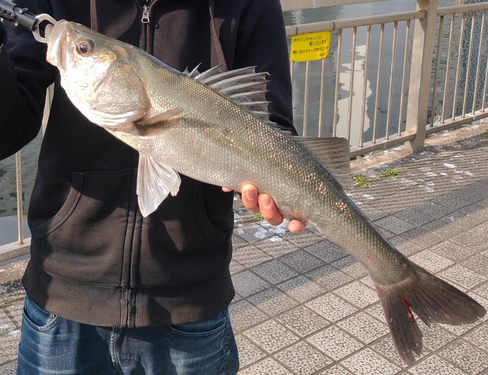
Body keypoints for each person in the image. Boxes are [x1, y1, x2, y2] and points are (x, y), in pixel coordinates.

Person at [0, 0, 305, 374]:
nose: (76, 45)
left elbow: (271, 124)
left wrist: (270, 181)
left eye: (84, 49)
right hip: (62, 301)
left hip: (190, 304)